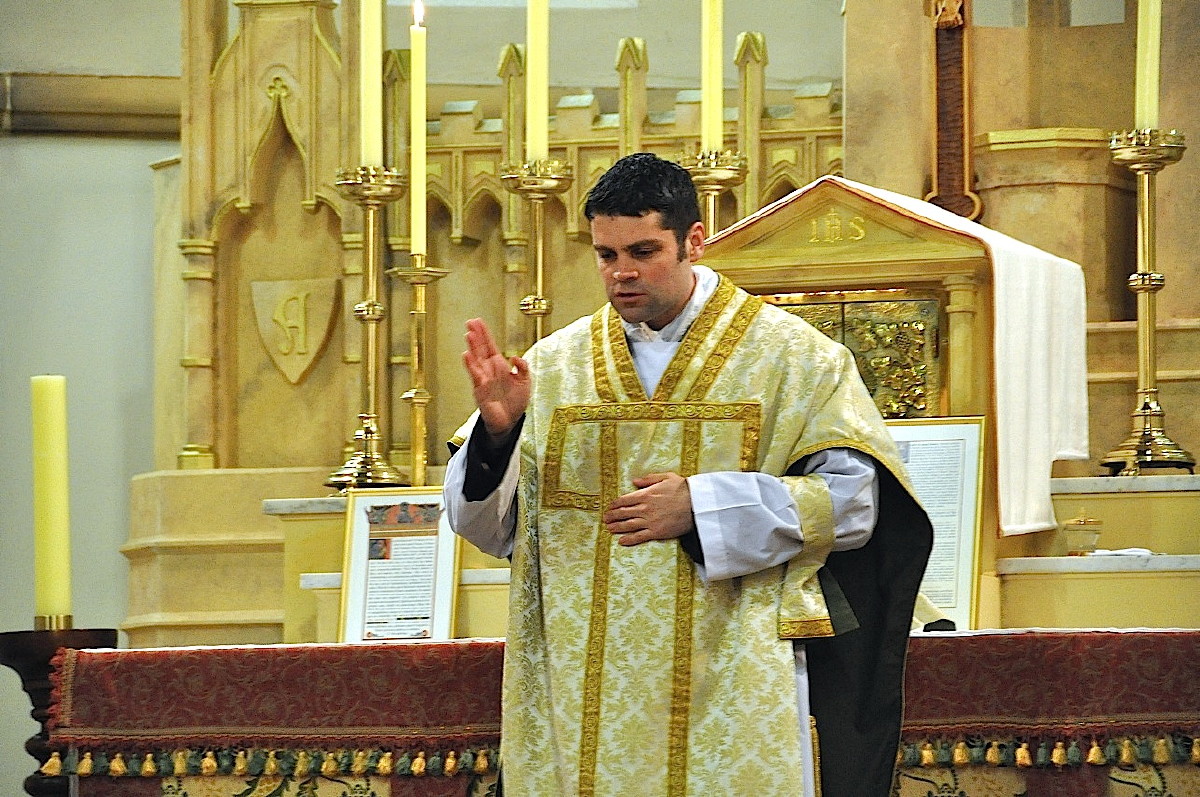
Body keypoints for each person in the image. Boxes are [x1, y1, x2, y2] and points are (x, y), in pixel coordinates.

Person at [443, 152, 932, 796]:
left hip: (733, 678)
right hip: (579, 686)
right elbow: (485, 528)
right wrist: (497, 438)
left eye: (643, 252)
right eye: (606, 255)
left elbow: (854, 504)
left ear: (694, 241)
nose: (621, 273)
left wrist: (703, 508)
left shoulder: (793, 357)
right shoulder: (553, 365)